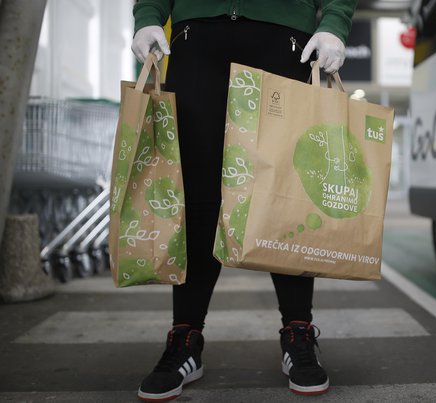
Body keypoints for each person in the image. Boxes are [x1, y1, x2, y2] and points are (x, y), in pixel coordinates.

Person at [130, 0, 358, 401]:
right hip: (195, 39)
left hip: (283, 42)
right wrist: (148, 16)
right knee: (198, 197)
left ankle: (298, 332)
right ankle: (185, 338)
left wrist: (335, 23)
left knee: (286, 193)